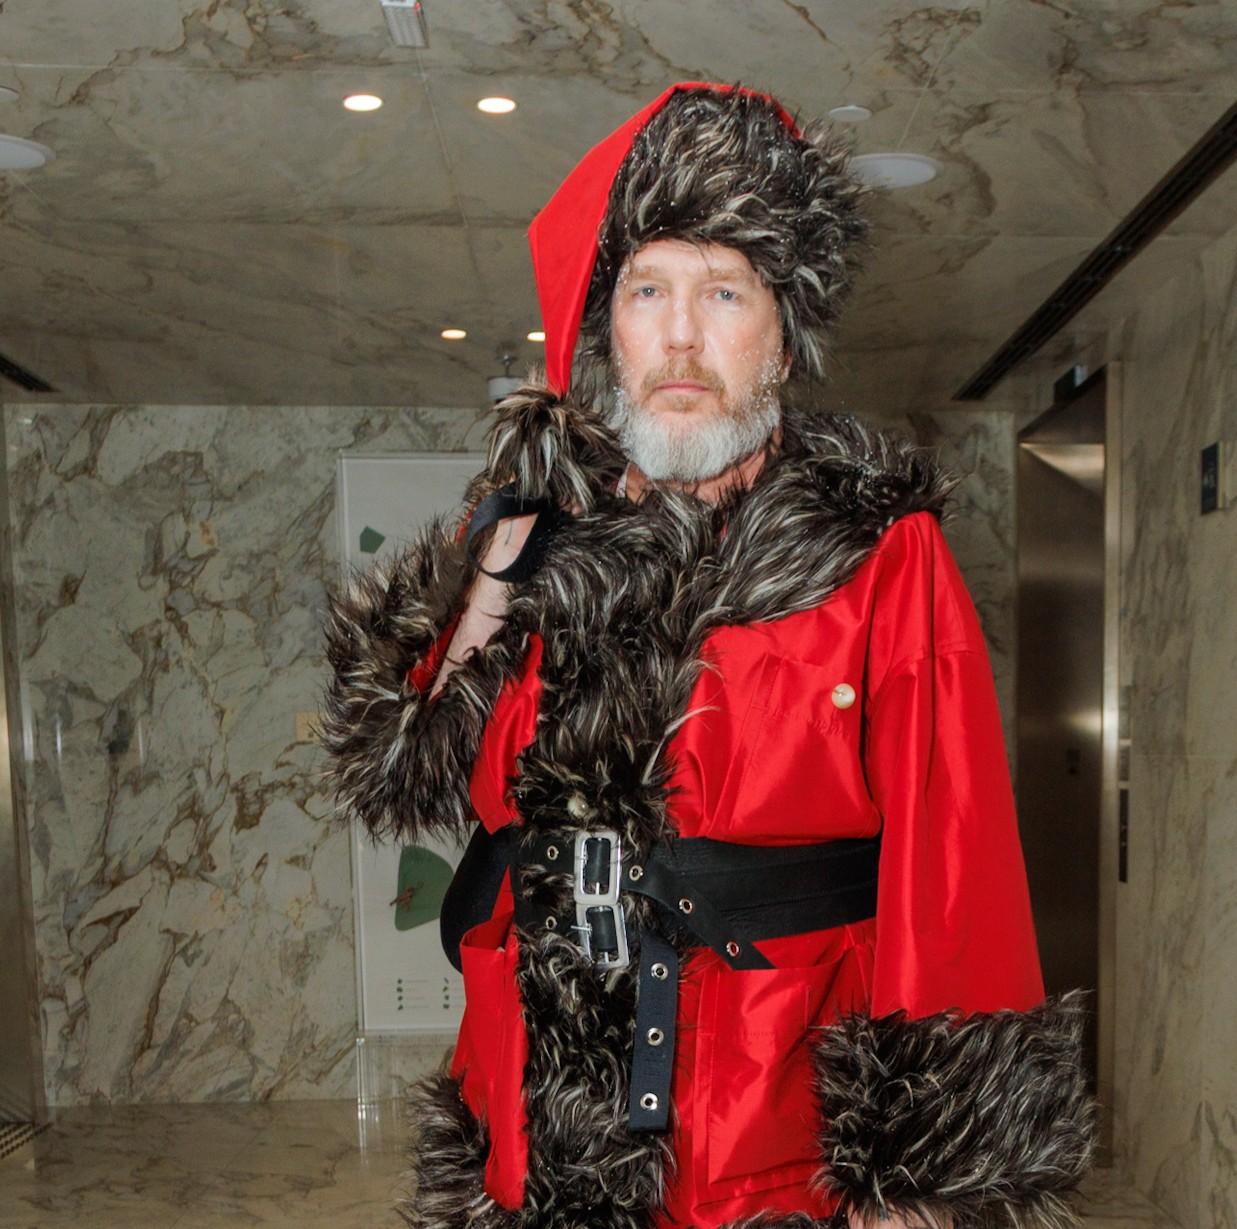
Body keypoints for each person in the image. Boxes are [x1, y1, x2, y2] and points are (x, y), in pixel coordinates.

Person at [322, 82, 1092, 1229]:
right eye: (647, 291)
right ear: (607, 330)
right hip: (535, 1108)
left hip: (765, 1121)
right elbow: (403, 766)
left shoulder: (876, 549)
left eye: (722, 290)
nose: (680, 336)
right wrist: (500, 552)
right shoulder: (539, 537)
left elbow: (952, 866)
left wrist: (921, 1180)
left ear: (782, 335)